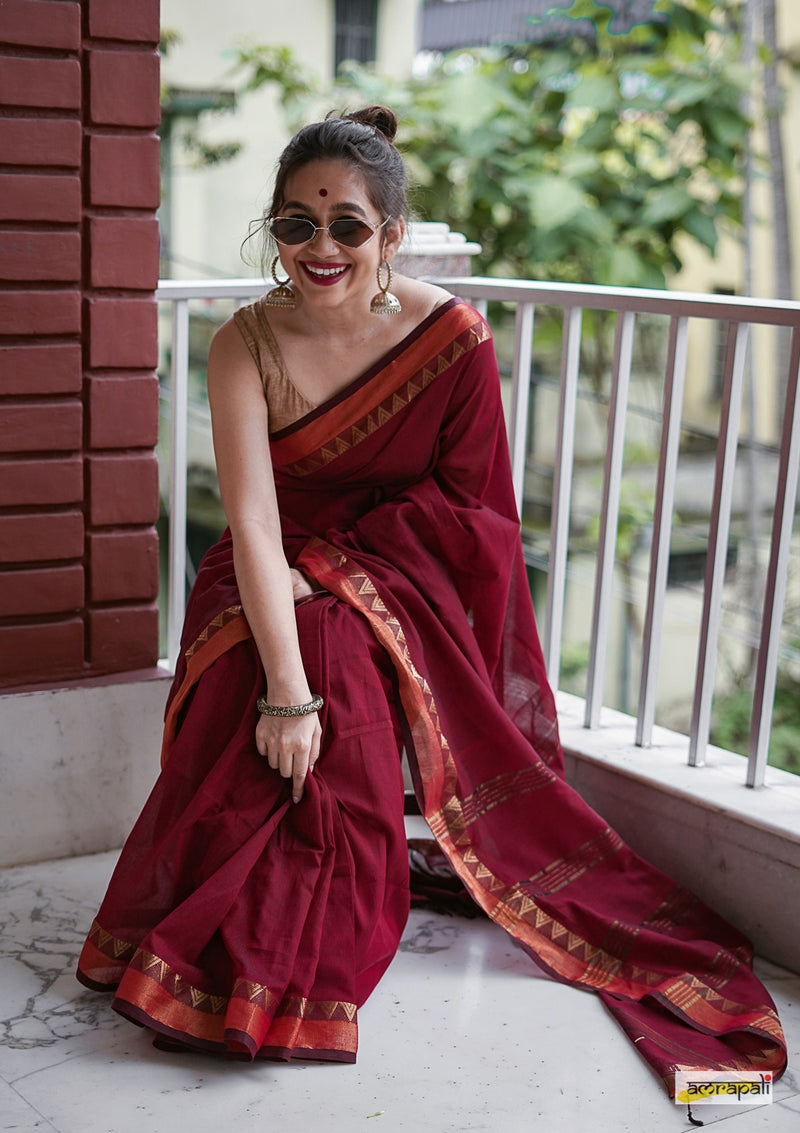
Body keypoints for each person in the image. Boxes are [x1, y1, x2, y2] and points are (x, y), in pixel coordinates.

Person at [77, 107, 786, 1091]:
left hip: (391, 583)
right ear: (274, 231)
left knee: (338, 670)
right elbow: (247, 524)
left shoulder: (450, 338)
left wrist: (325, 580)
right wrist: (286, 689)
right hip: (262, 575)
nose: (320, 248)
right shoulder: (245, 342)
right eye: (295, 224)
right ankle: (226, 953)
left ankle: (270, 966)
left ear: (392, 234)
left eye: (347, 227)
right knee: (275, 668)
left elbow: (468, 509)